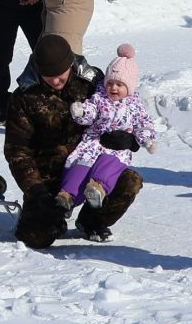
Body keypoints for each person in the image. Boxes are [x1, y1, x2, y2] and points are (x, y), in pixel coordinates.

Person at [5, 34, 143, 247]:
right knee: (35, 239)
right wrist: (35, 189)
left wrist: (130, 140)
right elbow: (17, 151)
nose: (56, 81)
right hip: (48, 176)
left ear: (70, 63)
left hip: (91, 165)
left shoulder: (92, 81)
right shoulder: (24, 96)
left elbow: (127, 106)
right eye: (48, 76)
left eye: (60, 74)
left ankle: (91, 221)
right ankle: (56, 217)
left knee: (129, 181)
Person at [57, 43, 157, 210]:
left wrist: (146, 140)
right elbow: (91, 111)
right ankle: (67, 195)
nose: (113, 88)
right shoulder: (99, 97)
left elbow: (143, 123)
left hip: (117, 148)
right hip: (94, 141)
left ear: (130, 86)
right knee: (80, 165)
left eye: (119, 84)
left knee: (110, 165)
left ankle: (98, 188)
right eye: (110, 83)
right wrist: (81, 112)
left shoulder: (135, 104)